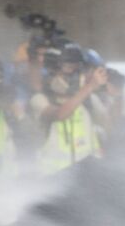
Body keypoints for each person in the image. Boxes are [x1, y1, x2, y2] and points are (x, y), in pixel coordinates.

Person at [29, 42, 105, 175]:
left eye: (77, 70)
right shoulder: (39, 100)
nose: (73, 76)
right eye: (69, 69)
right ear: (52, 71)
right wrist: (89, 87)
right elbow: (60, 114)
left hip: (83, 182)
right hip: (52, 183)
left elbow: (107, 125)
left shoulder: (87, 101)